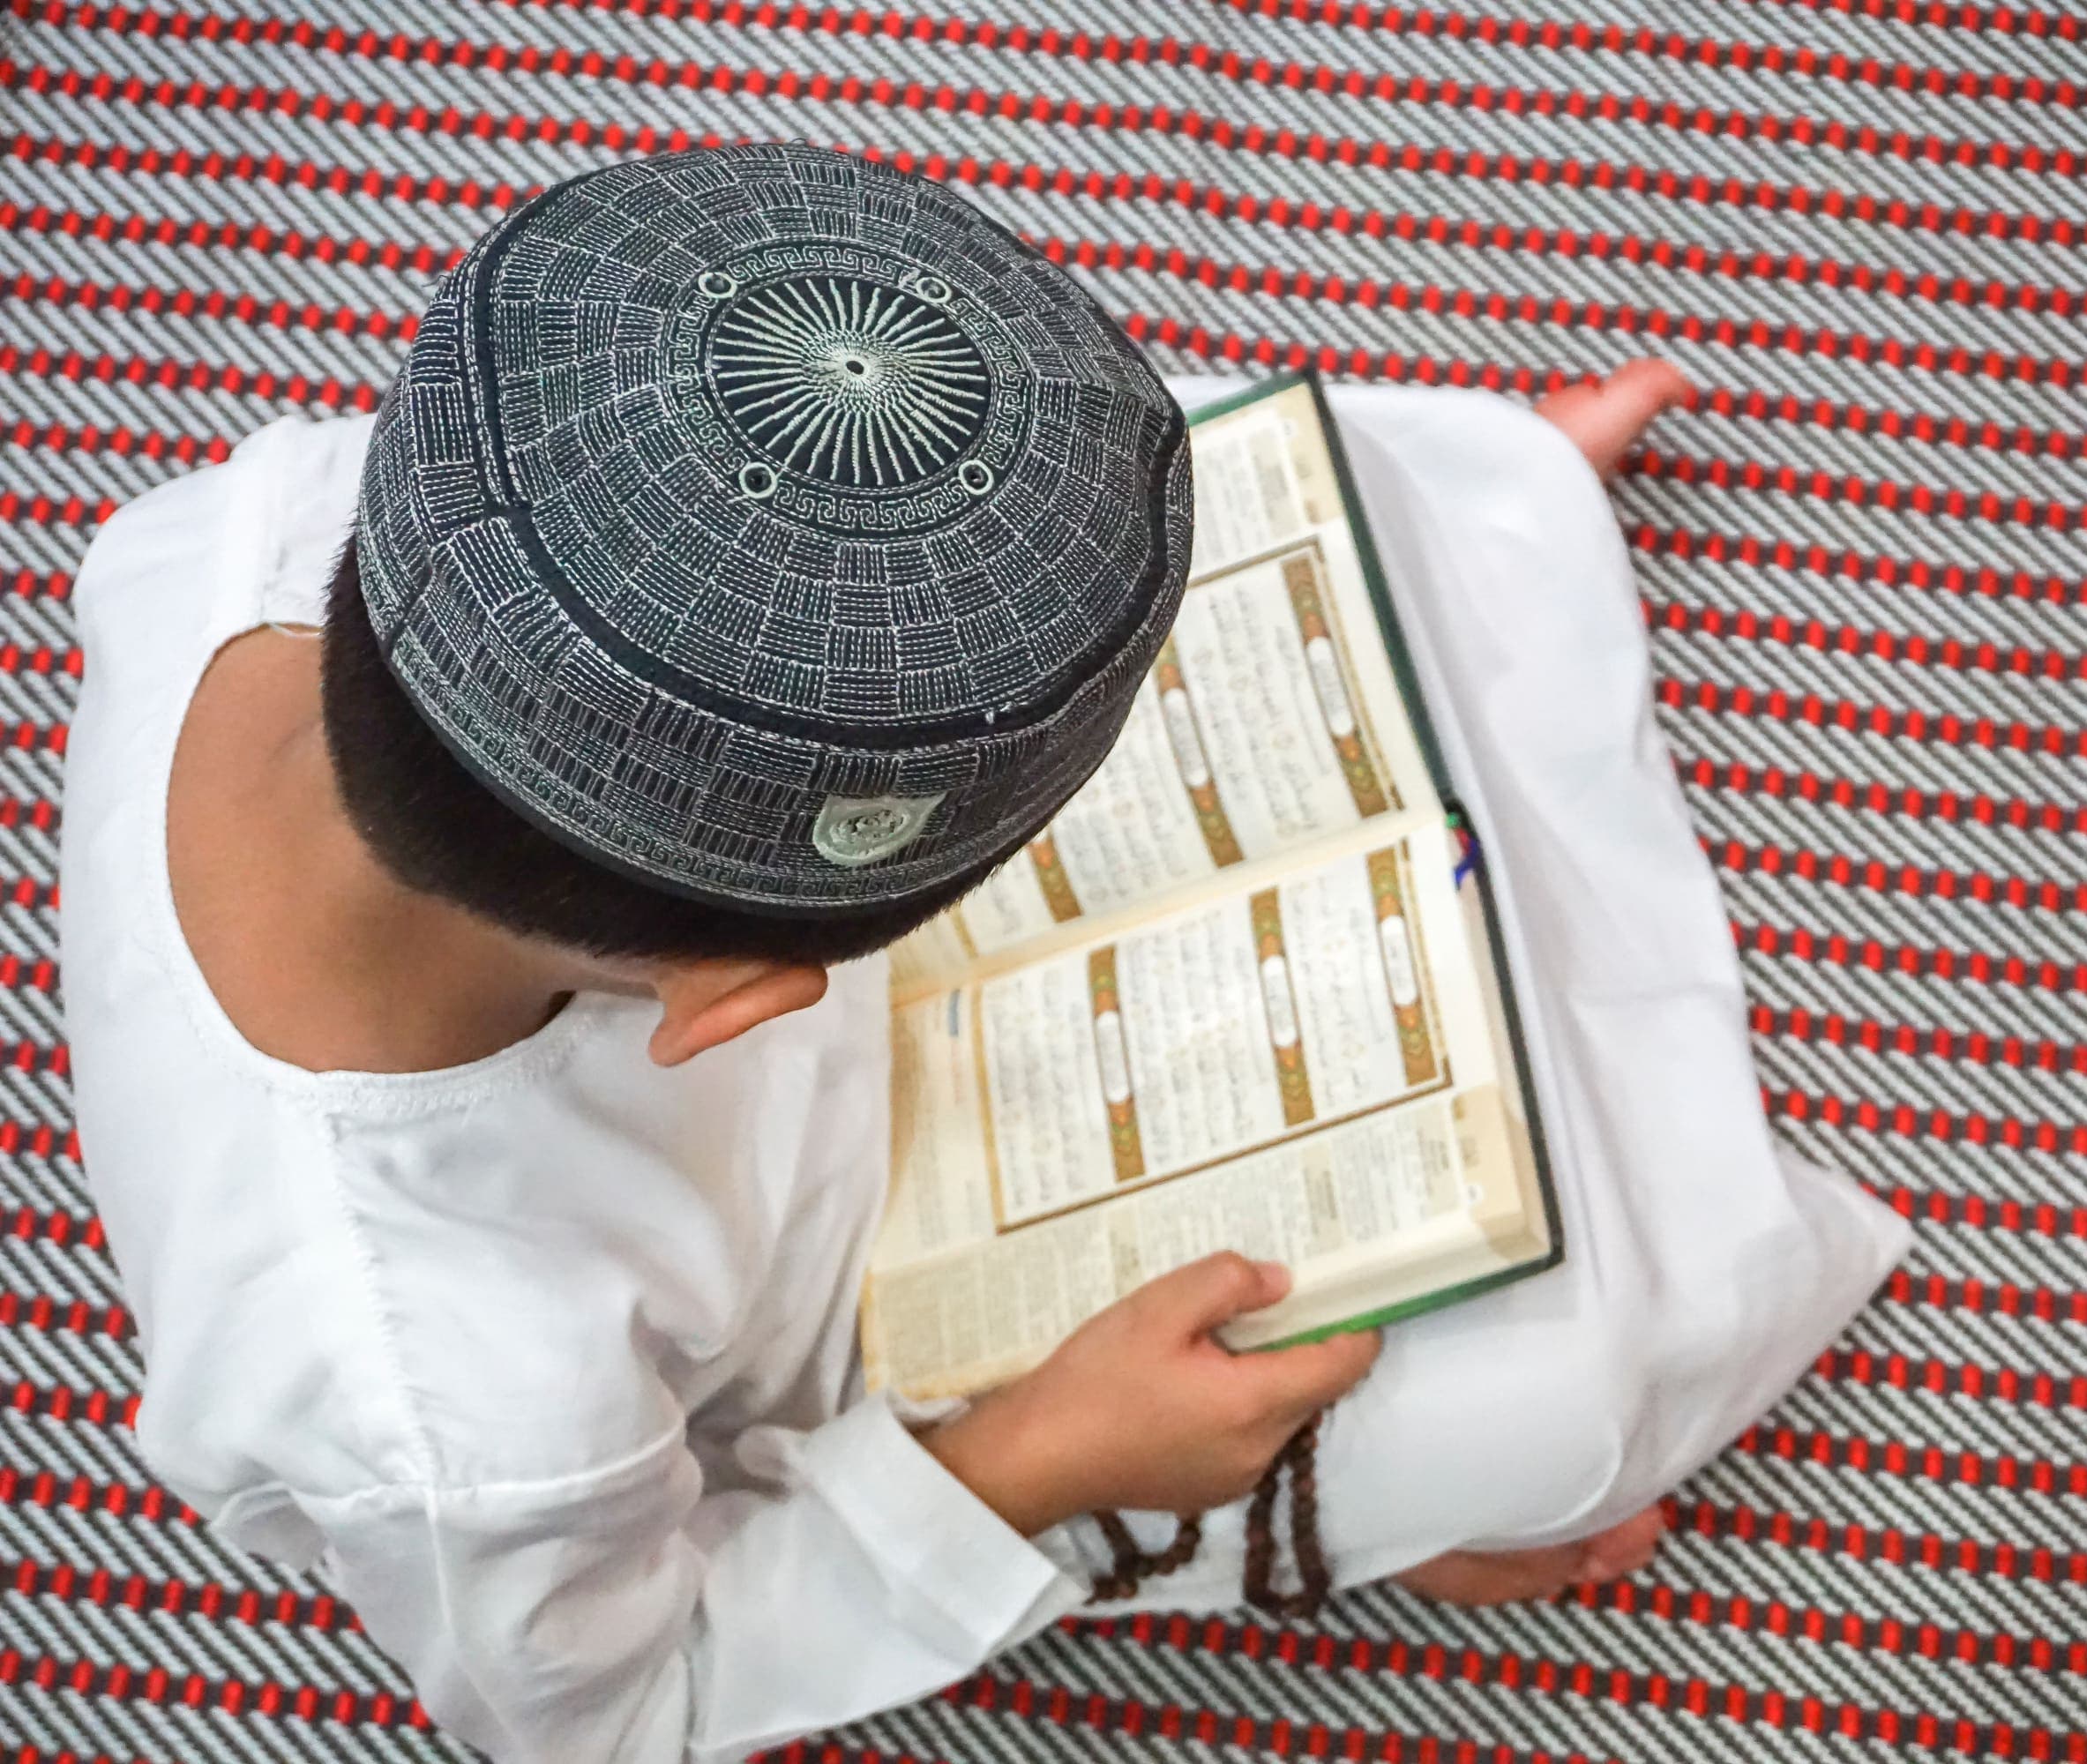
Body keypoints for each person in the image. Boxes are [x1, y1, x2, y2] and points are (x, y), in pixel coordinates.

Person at [63, 144, 1905, 1764]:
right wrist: (1039, 1457)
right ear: (753, 1002)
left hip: (754, 864)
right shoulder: (449, 1406)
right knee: (1569, 1397)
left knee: (1326, 508)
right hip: (857, 1282)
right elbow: (620, 1706)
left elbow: (807, 509)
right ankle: (1311, 1517)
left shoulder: (267, 520)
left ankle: (1448, 543)